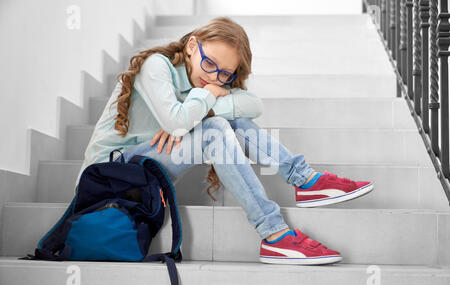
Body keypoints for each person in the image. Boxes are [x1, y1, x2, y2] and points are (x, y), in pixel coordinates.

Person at [74, 17, 373, 265]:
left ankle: (304, 180)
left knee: (227, 120)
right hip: (109, 175)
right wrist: (197, 105)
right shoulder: (157, 66)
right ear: (192, 46)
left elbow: (253, 106)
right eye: (209, 64)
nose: (215, 77)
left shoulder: (208, 82)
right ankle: (275, 233)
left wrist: (196, 109)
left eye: (225, 75)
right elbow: (176, 121)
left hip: (146, 170)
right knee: (215, 128)